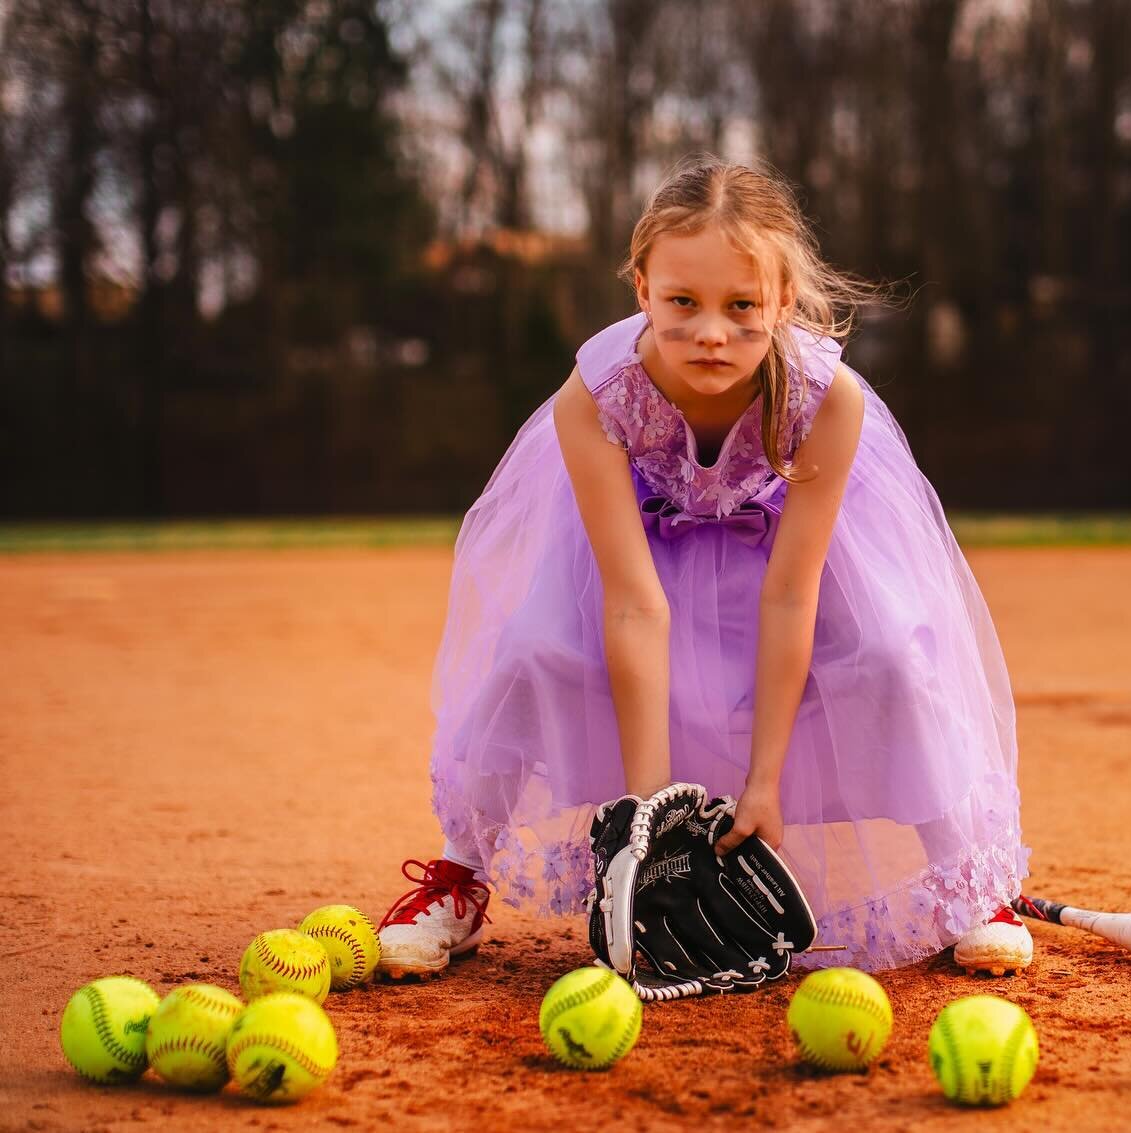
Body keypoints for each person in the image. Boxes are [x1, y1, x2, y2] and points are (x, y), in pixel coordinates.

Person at [376, 155, 1032, 983]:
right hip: (644, 560)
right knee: (531, 651)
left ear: (784, 302)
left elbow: (792, 596)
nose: (712, 332)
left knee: (894, 653)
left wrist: (762, 783)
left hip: (787, 563)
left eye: (743, 306)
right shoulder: (598, 396)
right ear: (641, 286)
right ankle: (461, 872)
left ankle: (967, 882)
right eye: (682, 301)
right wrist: (652, 826)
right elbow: (633, 606)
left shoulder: (827, 400)